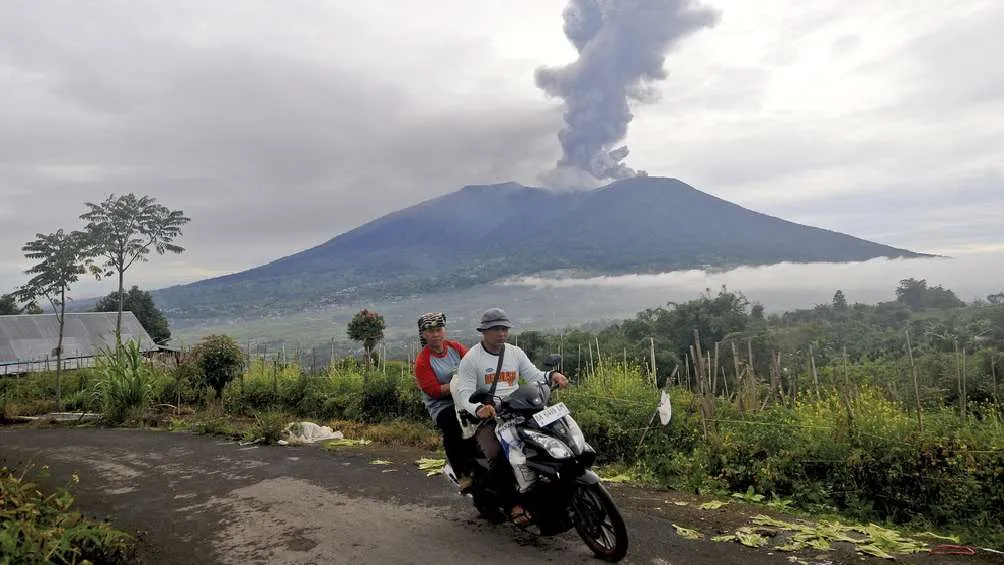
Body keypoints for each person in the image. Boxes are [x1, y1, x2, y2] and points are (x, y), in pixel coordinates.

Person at [452, 307, 569, 526]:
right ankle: (514, 504)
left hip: (520, 411)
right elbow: (465, 394)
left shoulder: (515, 352)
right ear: (484, 332)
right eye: (495, 328)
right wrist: (479, 409)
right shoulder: (471, 359)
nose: (501, 333)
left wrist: (553, 375)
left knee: (551, 442)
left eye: (504, 328)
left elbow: (534, 375)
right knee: (499, 456)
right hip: (490, 418)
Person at [413, 312, 473, 492]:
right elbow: (434, 391)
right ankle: (462, 474)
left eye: (438, 329)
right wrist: (457, 383)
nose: (435, 334)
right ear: (423, 334)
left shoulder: (456, 348)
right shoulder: (423, 361)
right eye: (430, 331)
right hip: (442, 405)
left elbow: (473, 364)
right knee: (453, 426)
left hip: (465, 397)